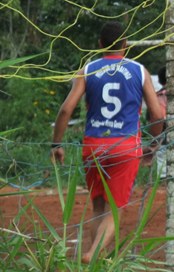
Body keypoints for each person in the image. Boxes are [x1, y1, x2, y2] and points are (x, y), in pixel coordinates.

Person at [50, 22, 163, 263]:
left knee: (98, 208)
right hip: (125, 147)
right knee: (116, 209)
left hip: (93, 145)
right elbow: (158, 113)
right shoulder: (139, 70)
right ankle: (92, 254)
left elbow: (65, 110)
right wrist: (152, 146)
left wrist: (56, 144)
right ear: (126, 44)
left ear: (100, 45)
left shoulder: (88, 69)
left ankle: (96, 264)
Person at [144, 66, 168, 179]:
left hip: (162, 136)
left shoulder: (157, 96)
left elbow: (151, 117)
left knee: (162, 167)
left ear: (159, 80)